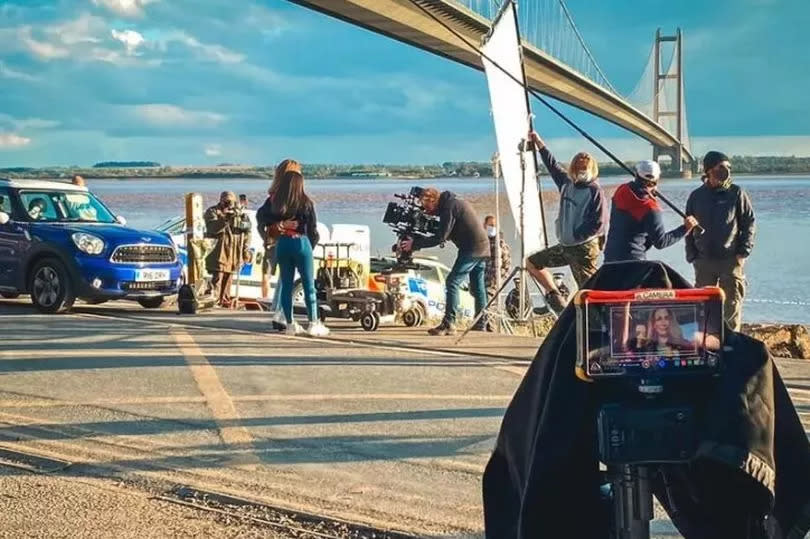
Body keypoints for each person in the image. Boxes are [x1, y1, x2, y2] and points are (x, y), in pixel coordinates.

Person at [526, 132, 608, 313]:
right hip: (566, 245)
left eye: (585, 168)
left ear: (592, 169)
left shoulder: (595, 191)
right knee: (532, 262)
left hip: (584, 248)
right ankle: (557, 300)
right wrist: (540, 143)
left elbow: (600, 222)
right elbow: (552, 165)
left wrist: (577, 234)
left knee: (587, 290)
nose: (581, 171)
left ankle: (600, 324)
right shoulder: (566, 184)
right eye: (578, 167)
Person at [399, 188, 489, 336]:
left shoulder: (449, 207)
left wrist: (414, 244)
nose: (426, 211)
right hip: (482, 247)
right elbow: (445, 232)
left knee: (452, 282)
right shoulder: (453, 202)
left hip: (472, 249)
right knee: (478, 287)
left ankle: (449, 323)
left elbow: (441, 237)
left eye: (426, 207)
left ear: (433, 200)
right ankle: (482, 323)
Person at [685, 151, 755, 331]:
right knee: (703, 305)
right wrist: (692, 255)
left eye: (728, 168)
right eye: (720, 167)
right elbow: (688, 226)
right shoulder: (696, 196)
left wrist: (743, 252)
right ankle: (705, 341)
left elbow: (748, 223)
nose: (725, 171)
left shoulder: (737, 193)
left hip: (730, 260)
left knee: (731, 304)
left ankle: (731, 343)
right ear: (708, 170)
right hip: (703, 260)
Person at [258, 170, 327, 337]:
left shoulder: (275, 202)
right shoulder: (306, 202)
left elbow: (261, 216)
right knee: (308, 285)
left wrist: (280, 224)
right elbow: (312, 229)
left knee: (286, 286)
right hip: (301, 243)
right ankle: (313, 323)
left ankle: (289, 324)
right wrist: (309, 245)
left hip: (283, 243)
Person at [603, 159, 698, 262]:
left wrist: (648, 193)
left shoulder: (620, 191)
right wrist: (685, 228)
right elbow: (661, 242)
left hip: (610, 257)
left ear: (636, 174)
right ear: (656, 180)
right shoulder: (650, 208)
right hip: (634, 260)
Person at [257, 159, 302, 328]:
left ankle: (278, 310)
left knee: (284, 277)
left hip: (276, 240)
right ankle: (281, 312)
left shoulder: (273, 197)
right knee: (286, 277)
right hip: (287, 240)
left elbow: (262, 219)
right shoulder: (287, 199)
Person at [204, 191, 250, 307]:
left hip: (234, 251)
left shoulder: (239, 214)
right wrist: (225, 218)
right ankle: (214, 300)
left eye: (230, 201)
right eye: (226, 200)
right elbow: (212, 228)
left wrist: (245, 249)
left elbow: (247, 232)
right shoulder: (213, 211)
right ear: (221, 199)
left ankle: (225, 300)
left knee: (229, 277)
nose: (228, 203)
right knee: (218, 277)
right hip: (218, 251)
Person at [483, 215, 511, 300]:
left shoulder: (501, 245)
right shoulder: (480, 243)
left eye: (495, 226)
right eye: (490, 225)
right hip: (480, 283)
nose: (493, 228)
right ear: (484, 225)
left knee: (490, 305)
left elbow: (507, 266)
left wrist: (499, 280)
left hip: (493, 285)